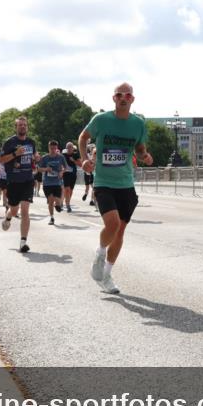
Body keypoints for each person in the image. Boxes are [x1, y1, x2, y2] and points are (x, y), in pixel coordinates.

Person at [77, 82, 152, 295]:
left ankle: (106, 275)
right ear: (114, 98)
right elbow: (83, 138)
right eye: (119, 95)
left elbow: (139, 147)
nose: (123, 98)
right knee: (112, 223)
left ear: (132, 100)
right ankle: (99, 255)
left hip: (126, 183)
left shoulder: (138, 123)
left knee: (120, 231)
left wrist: (144, 155)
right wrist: (84, 160)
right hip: (103, 182)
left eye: (127, 95)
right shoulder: (101, 120)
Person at [0, 116, 37, 252]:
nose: (22, 127)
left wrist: (35, 158)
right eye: (20, 125)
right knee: (14, 210)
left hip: (27, 180)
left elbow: (33, 157)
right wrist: (15, 153)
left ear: (27, 127)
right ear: (16, 127)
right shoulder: (9, 142)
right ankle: (8, 217)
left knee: (25, 211)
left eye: (24, 125)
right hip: (13, 181)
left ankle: (23, 242)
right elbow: (2, 160)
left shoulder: (31, 142)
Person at [37, 141, 67, 225]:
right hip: (47, 183)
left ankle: (57, 205)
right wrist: (46, 169)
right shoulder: (45, 158)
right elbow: (38, 169)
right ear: (48, 148)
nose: (53, 150)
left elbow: (66, 167)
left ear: (57, 148)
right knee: (50, 200)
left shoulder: (61, 157)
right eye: (51, 148)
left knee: (57, 201)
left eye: (54, 148)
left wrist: (62, 172)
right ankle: (52, 218)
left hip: (57, 182)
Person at [62, 141, 80, 213]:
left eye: (71, 147)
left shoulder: (76, 155)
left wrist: (74, 161)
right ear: (66, 148)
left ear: (73, 148)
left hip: (73, 174)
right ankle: (68, 205)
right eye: (68, 147)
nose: (69, 148)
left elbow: (80, 164)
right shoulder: (63, 155)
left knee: (71, 190)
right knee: (67, 189)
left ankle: (67, 201)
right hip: (66, 174)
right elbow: (60, 163)